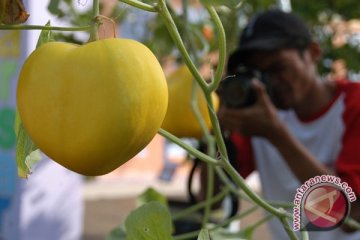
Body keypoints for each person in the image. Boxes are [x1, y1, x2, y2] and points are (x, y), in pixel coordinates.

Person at [218, 9, 360, 240]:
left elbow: (351, 217)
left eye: (278, 67)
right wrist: (217, 125)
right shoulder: (259, 114)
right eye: (259, 73)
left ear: (312, 52)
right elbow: (208, 193)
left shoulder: (353, 105)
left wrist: (277, 135)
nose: (270, 81)